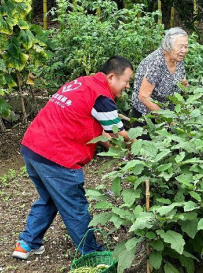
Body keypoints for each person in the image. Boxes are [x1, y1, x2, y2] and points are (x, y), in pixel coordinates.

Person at [12, 56, 134, 260]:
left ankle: (26, 244)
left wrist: (122, 155)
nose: (127, 86)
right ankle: (90, 253)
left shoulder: (82, 83)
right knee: (75, 206)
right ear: (112, 77)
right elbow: (120, 135)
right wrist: (137, 148)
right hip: (57, 156)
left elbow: (102, 135)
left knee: (50, 198)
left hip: (33, 148)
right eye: (126, 81)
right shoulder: (102, 97)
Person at [130, 27, 188, 136]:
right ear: (169, 46)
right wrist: (165, 118)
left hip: (168, 115)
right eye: (181, 47)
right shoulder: (156, 63)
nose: (184, 50)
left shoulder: (178, 59)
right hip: (146, 117)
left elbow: (182, 80)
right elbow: (143, 96)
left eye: (186, 47)